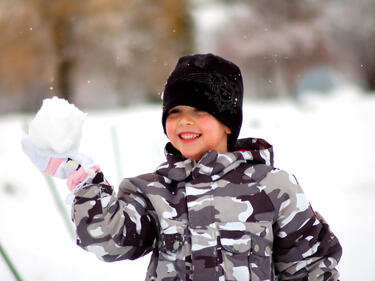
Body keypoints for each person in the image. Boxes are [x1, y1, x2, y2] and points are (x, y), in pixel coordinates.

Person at [22, 53, 342, 281]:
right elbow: (107, 239)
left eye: (199, 110)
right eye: (174, 111)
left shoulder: (273, 187)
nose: (184, 121)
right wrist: (83, 180)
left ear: (228, 122)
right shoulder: (152, 191)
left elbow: (309, 270)